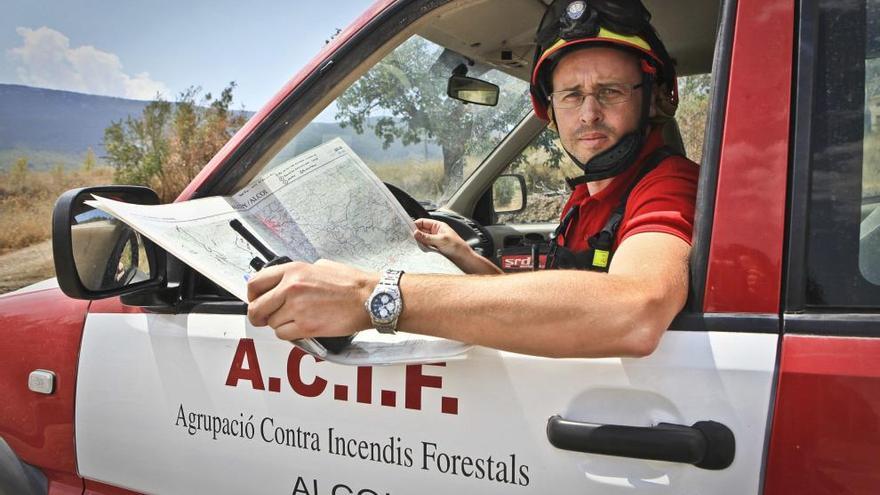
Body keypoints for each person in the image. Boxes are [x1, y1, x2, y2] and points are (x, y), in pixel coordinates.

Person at [246, 0, 699, 358]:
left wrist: (372, 296)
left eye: (610, 92)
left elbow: (634, 311)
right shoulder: (586, 195)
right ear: (550, 109)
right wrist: (461, 253)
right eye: (572, 95)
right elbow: (538, 307)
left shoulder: (669, 185)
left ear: (655, 99)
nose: (588, 113)